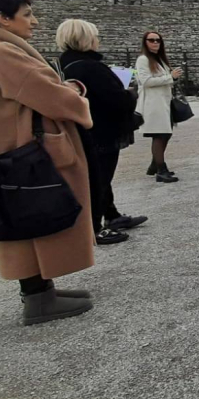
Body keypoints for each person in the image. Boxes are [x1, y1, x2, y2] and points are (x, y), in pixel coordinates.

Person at [0, 0, 96, 325]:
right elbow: (49, 95)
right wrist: (76, 94)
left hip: (12, 147)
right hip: (26, 149)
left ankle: (42, 290)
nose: (34, 21)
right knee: (35, 213)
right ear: (3, 18)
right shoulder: (1, 51)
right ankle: (38, 298)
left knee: (28, 214)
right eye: (27, 14)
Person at [57, 19, 148, 246]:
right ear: (86, 39)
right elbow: (114, 100)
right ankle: (95, 227)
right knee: (100, 177)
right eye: (95, 36)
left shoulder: (67, 64)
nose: (98, 40)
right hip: (102, 128)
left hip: (89, 127)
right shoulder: (88, 66)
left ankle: (112, 214)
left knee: (99, 176)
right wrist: (130, 94)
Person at [136, 31, 183, 183]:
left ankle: (155, 164)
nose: (155, 42)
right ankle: (161, 169)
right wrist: (171, 77)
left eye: (158, 40)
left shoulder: (160, 60)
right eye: (151, 40)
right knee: (159, 134)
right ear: (145, 42)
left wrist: (172, 77)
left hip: (164, 102)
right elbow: (146, 81)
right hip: (153, 103)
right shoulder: (143, 59)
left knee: (166, 133)